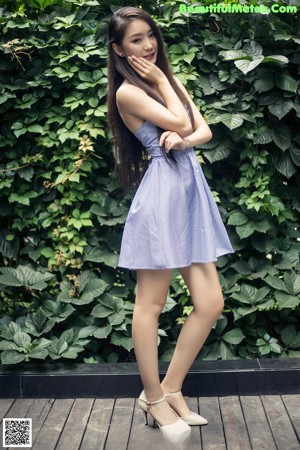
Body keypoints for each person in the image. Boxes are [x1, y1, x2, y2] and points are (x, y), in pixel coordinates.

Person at [107, 6, 234, 449]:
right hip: (162, 195)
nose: (148, 45)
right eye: (136, 40)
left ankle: (173, 386)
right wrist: (165, 88)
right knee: (152, 304)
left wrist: (183, 137)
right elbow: (181, 119)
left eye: (150, 36)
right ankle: (154, 398)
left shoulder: (167, 81)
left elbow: (202, 130)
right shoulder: (128, 92)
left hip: (190, 191)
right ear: (119, 50)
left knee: (211, 301)